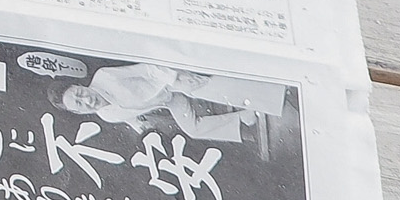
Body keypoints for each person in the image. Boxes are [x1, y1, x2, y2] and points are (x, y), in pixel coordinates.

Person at [58, 65, 284, 144]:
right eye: (80, 105)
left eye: (80, 93)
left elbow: (146, 69)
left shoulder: (105, 76)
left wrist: (175, 79)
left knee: (201, 87)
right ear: (80, 113)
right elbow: (128, 117)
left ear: (82, 85)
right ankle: (243, 116)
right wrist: (141, 128)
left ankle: (272, 94)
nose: (87, 100)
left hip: (169, 84)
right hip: (169, 101)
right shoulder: (106, 115)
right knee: (193, 130)